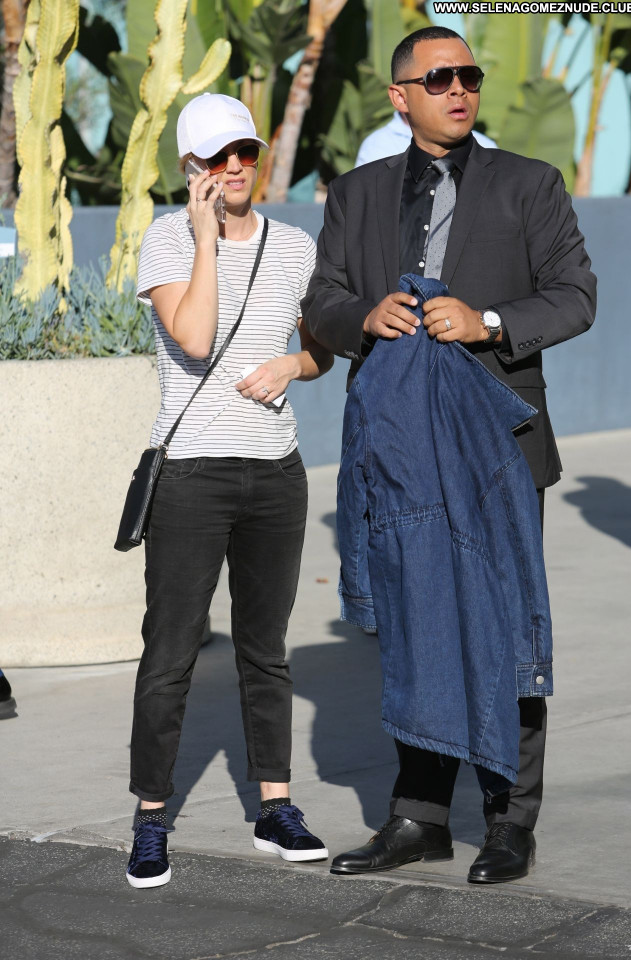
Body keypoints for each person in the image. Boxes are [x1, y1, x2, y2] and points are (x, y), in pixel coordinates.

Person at [302, 27, 596, 884]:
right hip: (398, 445)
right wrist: (363, 316)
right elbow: (321, 297)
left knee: (506, 623)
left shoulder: (529, 184)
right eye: (439, 78)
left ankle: (510, 820)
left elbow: (575, 295)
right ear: (401, 97)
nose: (459, 88)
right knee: (415, 622)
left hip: (496, 440)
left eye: (468, 74)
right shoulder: (356, 194)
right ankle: (420, 817)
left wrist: (487, 322)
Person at [126, 93, 333, 889]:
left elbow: (321, 352)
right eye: (217, 158)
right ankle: (151, 817)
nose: (236, 167)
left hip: (276, 473)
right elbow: (194, 336)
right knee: (170, 652)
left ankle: (275, 808)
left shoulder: (295, 247)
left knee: (265, 650)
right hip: (192, 477)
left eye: (245, 152)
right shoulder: (165, 241)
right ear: (191, 169)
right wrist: (207, 237)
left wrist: (291, 365)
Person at [355, 110, 496, 167]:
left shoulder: (484, 145)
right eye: (435, 80)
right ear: (400, 97)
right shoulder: (377, 146)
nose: (456, 91)